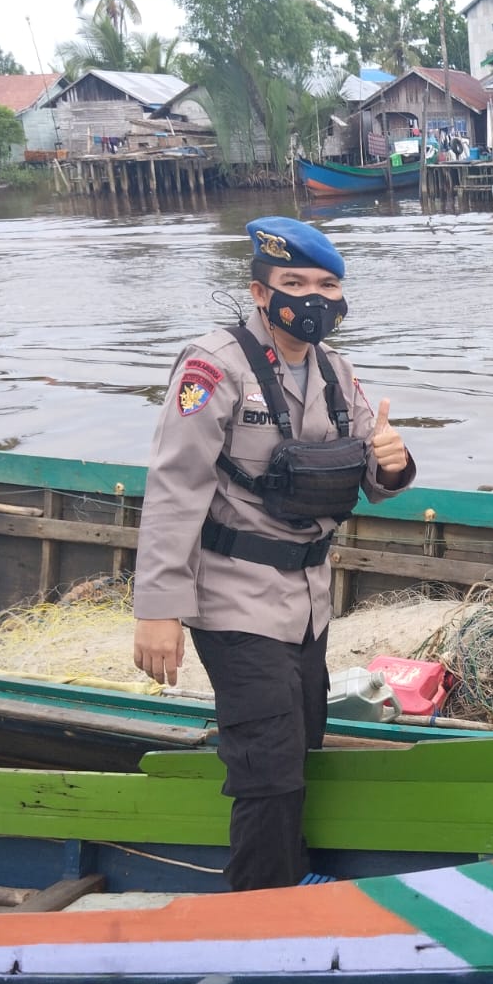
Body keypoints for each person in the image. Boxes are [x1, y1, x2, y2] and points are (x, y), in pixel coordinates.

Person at [132, 216, 416, 891]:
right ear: (261, 293)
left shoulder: (337, 372)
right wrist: (158, 610)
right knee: (269, 768)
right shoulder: (214, 368)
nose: (312, 297)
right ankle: (261, 912)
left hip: (309, 603)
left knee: (303, 746)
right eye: (294, 283)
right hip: (233, 597)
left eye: (325, 285)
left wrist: (395, 462)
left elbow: (372, 480)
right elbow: (175, 487)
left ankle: (296, 879)